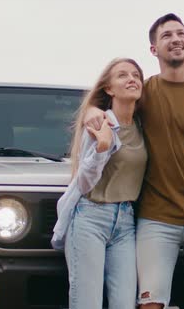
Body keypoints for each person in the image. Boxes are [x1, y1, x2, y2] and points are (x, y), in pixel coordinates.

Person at [85, 13, 184, 309]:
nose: (175, 39)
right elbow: (106, 100)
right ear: (154, 50)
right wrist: (93, 109)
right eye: (166, 35)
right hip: (156, 218)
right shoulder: (144, 92)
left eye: (180, 33)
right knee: (150, 303)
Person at [52, 58, 147, 309]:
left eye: (136, 75)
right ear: (108, 89)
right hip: (90, 217)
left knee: (125, 304)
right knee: (87, 303)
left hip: (126, 222)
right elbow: (83, 181)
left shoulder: (142, 125)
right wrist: (103, 147)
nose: (132, 79)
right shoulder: (99, 123)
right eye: (122, 75)